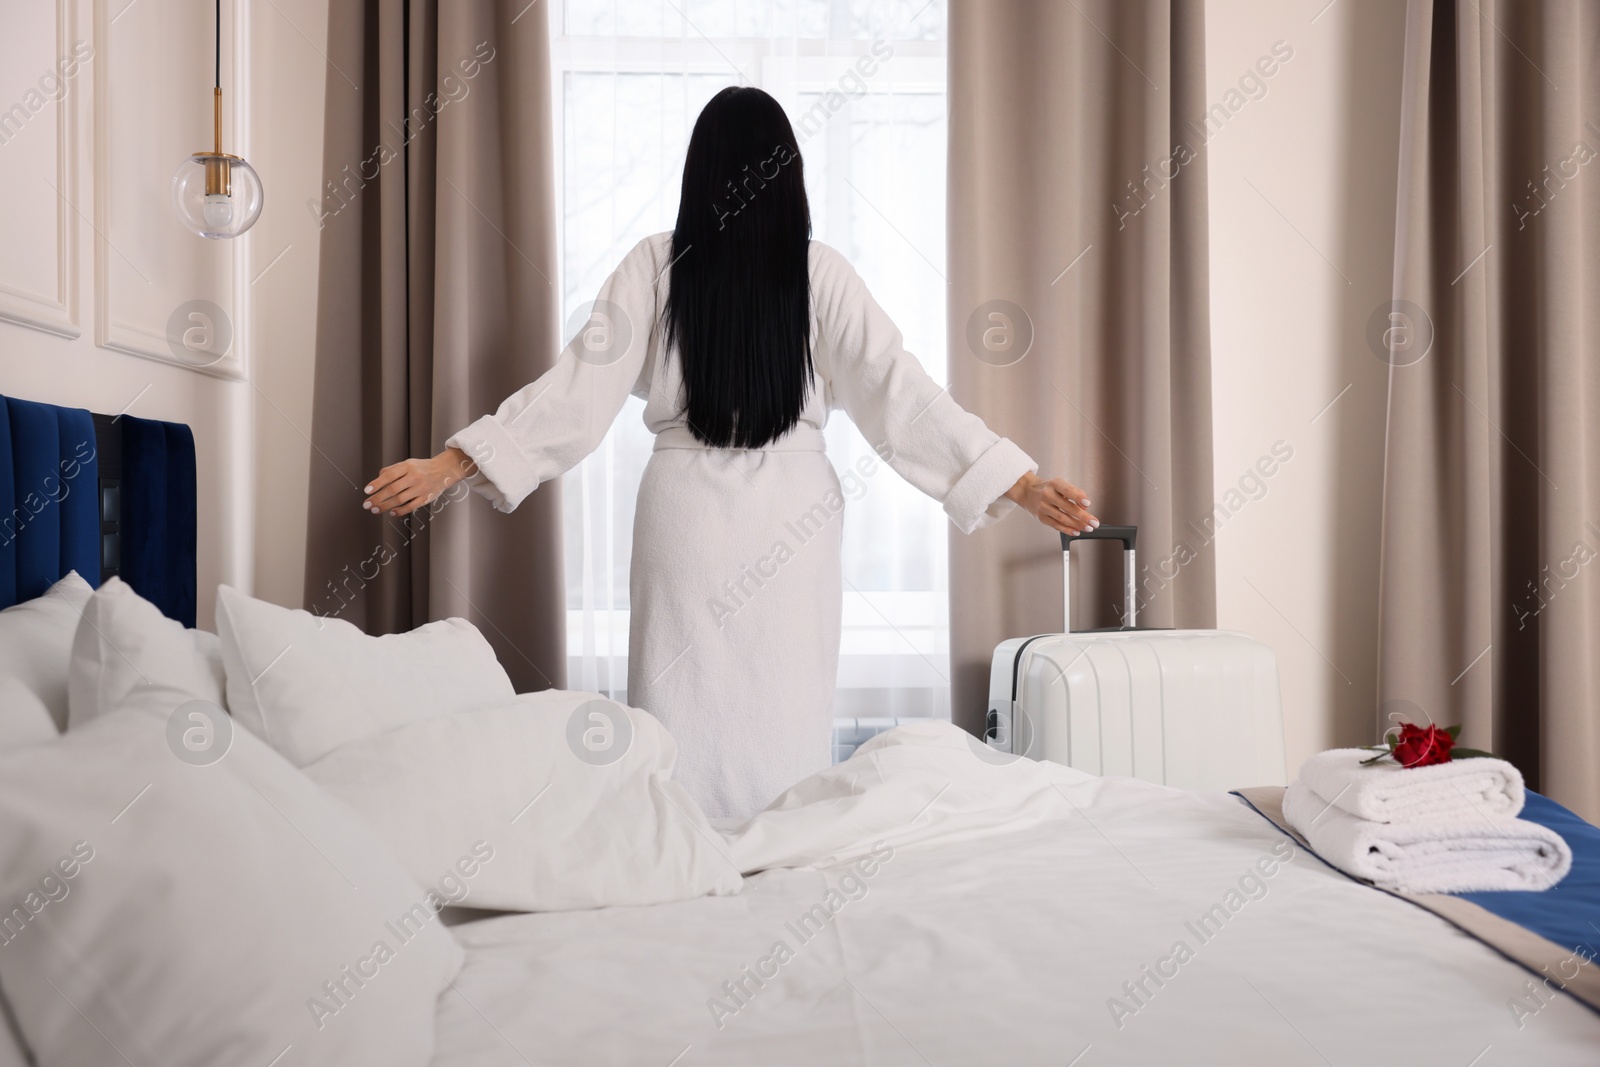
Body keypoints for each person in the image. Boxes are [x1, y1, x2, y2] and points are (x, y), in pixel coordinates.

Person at [362, 86, 1098, 821]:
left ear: (699, 170)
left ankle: (676, 853)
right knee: (784, 713)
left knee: (676, 715)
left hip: (683, 520)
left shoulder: (654, 264)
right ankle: (778, 858)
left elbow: (575, 391)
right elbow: (903, 396)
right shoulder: (822, 273)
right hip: (794, 522)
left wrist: (455, 462)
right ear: (790, 174)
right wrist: (1019, 481)